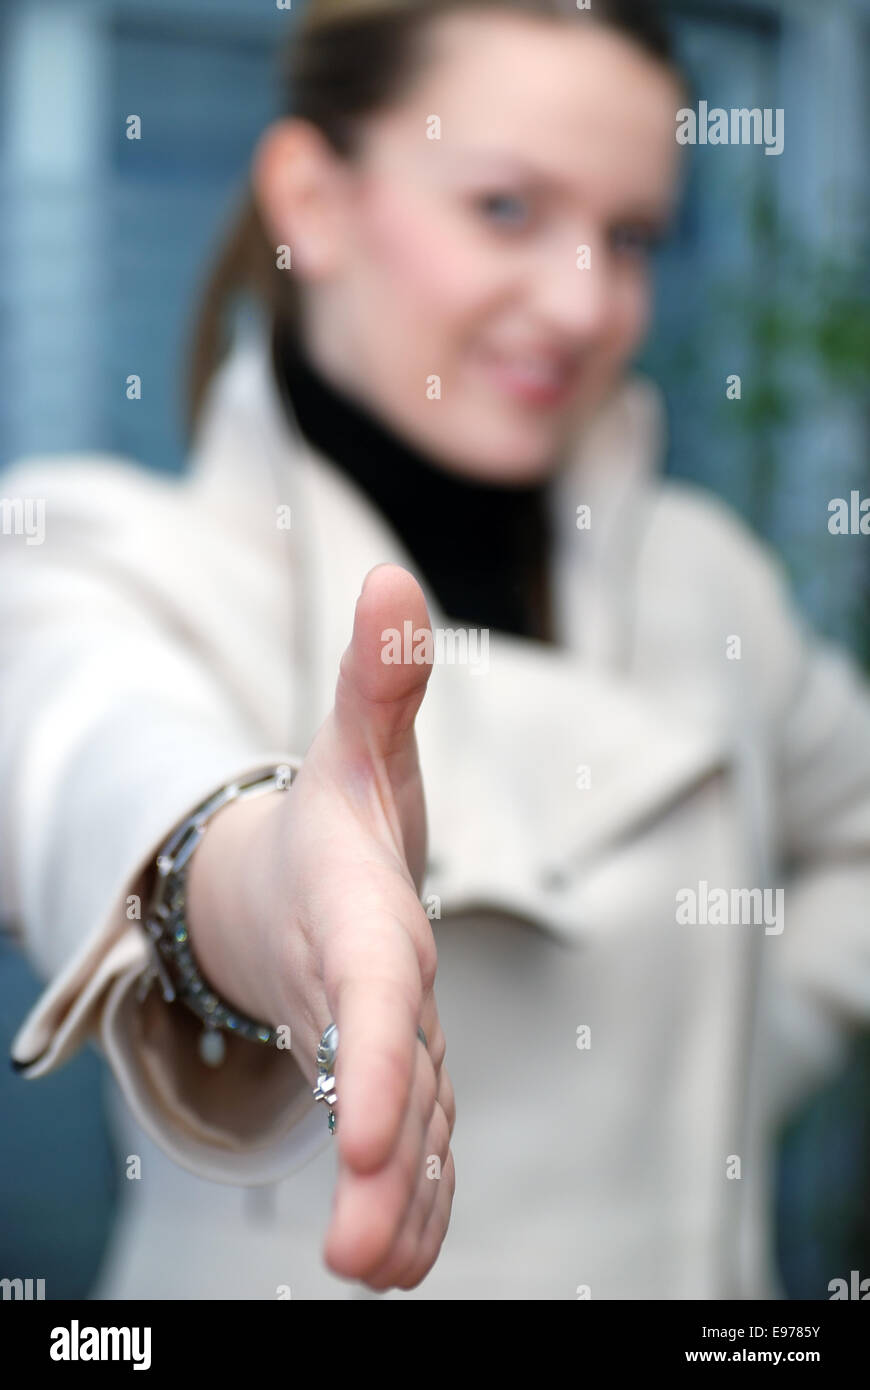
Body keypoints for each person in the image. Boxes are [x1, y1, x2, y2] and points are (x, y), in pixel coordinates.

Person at [3, 0, 870, 1301]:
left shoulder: (706, 579)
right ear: (312, 198)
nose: (584, 303)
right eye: (506, 209)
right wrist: (255, 873)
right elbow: (92, 754)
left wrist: (726, 1074)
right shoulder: (100, 550)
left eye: (629, 236)